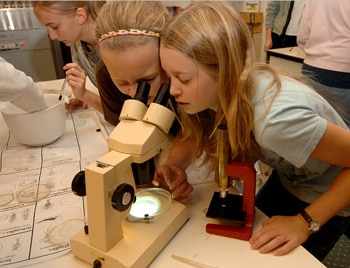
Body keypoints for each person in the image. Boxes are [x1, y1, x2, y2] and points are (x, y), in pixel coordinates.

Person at [158, 1, 350, 261]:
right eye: (169, 76)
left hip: (330, 197)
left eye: (184, 78)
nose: (173, 89)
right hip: (289, 180)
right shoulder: (224, 95)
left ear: (223, 70)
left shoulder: (274, 122)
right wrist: (175, 164)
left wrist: (304, 223)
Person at [32, 1, 109, 116]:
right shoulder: (76, 42)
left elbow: (124, 112)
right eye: (48, 29)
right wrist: (82, 97)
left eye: (54, 27)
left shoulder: (116, 45)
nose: (52, 36)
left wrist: (85, 95)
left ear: (80, 16)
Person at [297, 1, 350, 129]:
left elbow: (302, 38)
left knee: (318, 127)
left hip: (312, 70)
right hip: (343, 71)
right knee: (343, 131)